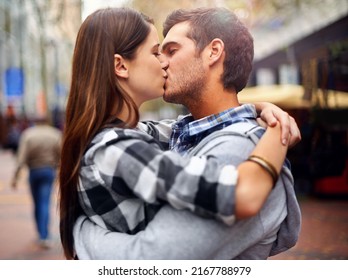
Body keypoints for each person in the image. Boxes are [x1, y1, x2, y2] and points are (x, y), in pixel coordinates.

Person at [61, 7, 300, 260]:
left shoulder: (240, 147)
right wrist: (269, 122)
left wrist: (81, 233)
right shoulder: (132, 143)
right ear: (120, 66)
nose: (162, 62)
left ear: (214, 52)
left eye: (170, 51)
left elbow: (157, 260)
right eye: (156, 52)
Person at [12, 117, 62, 248]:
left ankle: (41, 234)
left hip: (34, 171)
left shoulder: (28, 134)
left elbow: (21, 157)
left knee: (37, 203)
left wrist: (15, 177)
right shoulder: (55, 134)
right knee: (45, 202)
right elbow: (62, 154)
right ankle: (45, 236)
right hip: (49, 171)